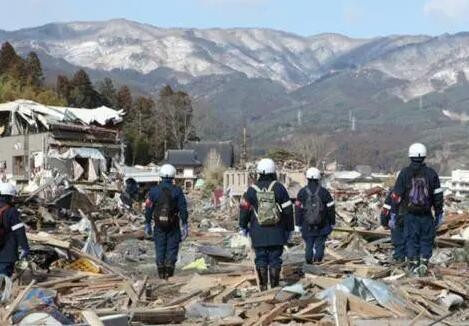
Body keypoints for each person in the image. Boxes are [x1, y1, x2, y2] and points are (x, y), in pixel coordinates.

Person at [239, 158, 294, 290]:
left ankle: (263, 288)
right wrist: (289, 229)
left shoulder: (251, 190)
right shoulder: (279, 188)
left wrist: (243, 226)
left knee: (261, 259)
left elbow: (244, 210)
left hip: (258, 231)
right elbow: (288, 211)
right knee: (275, 259)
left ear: (258, 172)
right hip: (277, 231)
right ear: (273, 171)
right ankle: (274, 287)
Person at [390, 143, 444, 276]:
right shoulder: (432, 174)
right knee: (426, 239)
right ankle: (424, 262)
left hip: (410, 215)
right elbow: (438, 196)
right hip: (426, 214)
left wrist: (394, 213)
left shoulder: (404, 173)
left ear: (410, 155)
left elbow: (396, 195)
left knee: (411, 239)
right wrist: (438, 213)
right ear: (424, 156)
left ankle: (413, 264)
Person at [145, 164, 189, 280]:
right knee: (172, 248)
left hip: (159, 225)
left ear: (160, 176)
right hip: (173, 225)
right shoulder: (177, 191)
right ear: (173, 176)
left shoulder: (153, 191)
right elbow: (183, 208)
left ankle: (160, 273)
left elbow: (148, 208)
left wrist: (147, 223)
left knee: (160, 247)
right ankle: (169, 274)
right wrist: (185, 224)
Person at [294, 167, 335, 264]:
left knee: (309, 243)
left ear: (307, 177)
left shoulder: (302, 192)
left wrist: (298, 224)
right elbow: (331, 209)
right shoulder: (324, 192)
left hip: (306, 225)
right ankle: (318, 260)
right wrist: (332, 222)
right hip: (322, 224)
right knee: (320, 243)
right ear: (319, 178)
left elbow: (298, 209)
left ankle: (308, 260)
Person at [0, 182, 30, 277]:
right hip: (7, 254)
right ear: (9, 197)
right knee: (4, 282)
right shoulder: (11, 211)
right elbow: (19, 231)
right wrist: (25, 247)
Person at [379, 189, 406, 263]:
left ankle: (400, 260)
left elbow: (386, 208)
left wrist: (384, 222)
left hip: (398, 220)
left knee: (399, 241)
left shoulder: (395, 191)